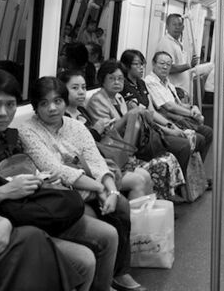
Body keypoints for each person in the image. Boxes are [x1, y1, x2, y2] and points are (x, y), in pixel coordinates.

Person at [0, 69, 101, 291]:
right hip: (0, 222)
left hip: (28, 210)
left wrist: (42, 180)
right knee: (83, 259)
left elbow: (25, 170)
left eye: (10, 105)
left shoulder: (11, 138)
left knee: (105, 232)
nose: (3, 113)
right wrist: (6, 192)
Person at [18, 76, 146, 291]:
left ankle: (119, 273)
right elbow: (57, 169)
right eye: (44, 103)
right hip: (64, 194)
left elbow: (95, 160)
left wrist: (112, 191)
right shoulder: (28, 130)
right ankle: (102, 283)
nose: (52, 108)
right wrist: (100, 188)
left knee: (121, 205)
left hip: (91, 186)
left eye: (57, 101)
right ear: (35, 107)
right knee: (99, 221)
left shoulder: (75, 126)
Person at [85, 61, 185, 200]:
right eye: (112, 78)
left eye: (120, 79)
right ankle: (157, 201)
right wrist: (128, 116)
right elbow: (107, 132)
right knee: (162, 162)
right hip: (113, 150)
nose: (117, 82)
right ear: (102, 80)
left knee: (169, 156)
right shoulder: (97, 101)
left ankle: (165, 199)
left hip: (129, 144)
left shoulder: (119, 97)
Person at [58, 70, 152, 200]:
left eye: (83, 87)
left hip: (102, 158)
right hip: (87, 167)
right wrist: (96, 131)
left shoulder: (82, 110)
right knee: (138, 180)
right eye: (75, 88)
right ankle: (132, 213)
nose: (81, 92)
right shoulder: (63, 118)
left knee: (145, 175)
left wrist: (103, 129)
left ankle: (147, 211)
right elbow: (75, 148)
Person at [120, 49, 200, 175]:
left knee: (195, 138)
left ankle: (188, 179)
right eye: (136, 64)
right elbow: (143, 118)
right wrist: (169, 130)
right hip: (144, 133)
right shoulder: (125, 87)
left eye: (142, 64)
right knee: (184, 145)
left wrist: (170, 125)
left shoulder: (141, 83)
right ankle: (181, 182)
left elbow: (151, 111)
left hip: (155, 126)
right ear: (126, 66)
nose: (141, 68)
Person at [145, 51, 213, 163]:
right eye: (162, 63)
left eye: (168, 64)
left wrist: (193, 107)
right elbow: (169, 106)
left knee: (208, 133)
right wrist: (191, 114)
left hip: (178, 118)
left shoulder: (167, 82)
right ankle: (188, 169)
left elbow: (179, 104)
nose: (165, 67)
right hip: (169, 120)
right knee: (202, 136)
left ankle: (196, 168)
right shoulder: (150, 81)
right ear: (153, 64)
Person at [156, 13, 199, 94]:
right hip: (173, 91)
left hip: (181, 91)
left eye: (179, 24)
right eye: (174, 24)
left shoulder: (178, 43)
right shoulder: (166, 43)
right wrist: (189, 65)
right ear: (167, 26)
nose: (177, 27)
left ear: (183, 27)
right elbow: (168, 68)